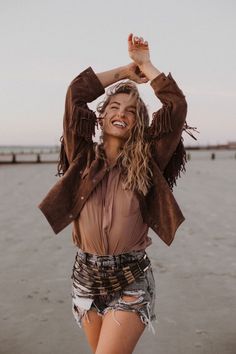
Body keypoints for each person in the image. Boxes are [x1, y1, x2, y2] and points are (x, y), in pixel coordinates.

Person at [39, 33, 195, 354]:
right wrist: (124, 72)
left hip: (131, 277)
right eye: (114, 106)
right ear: (102, 115)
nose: (121, 112)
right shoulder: (81, 156)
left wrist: (146, 66)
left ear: (139, 122)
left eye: (131, 110)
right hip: (85, 276)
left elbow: (176, 106)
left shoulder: (149, 161)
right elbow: (76, 94)